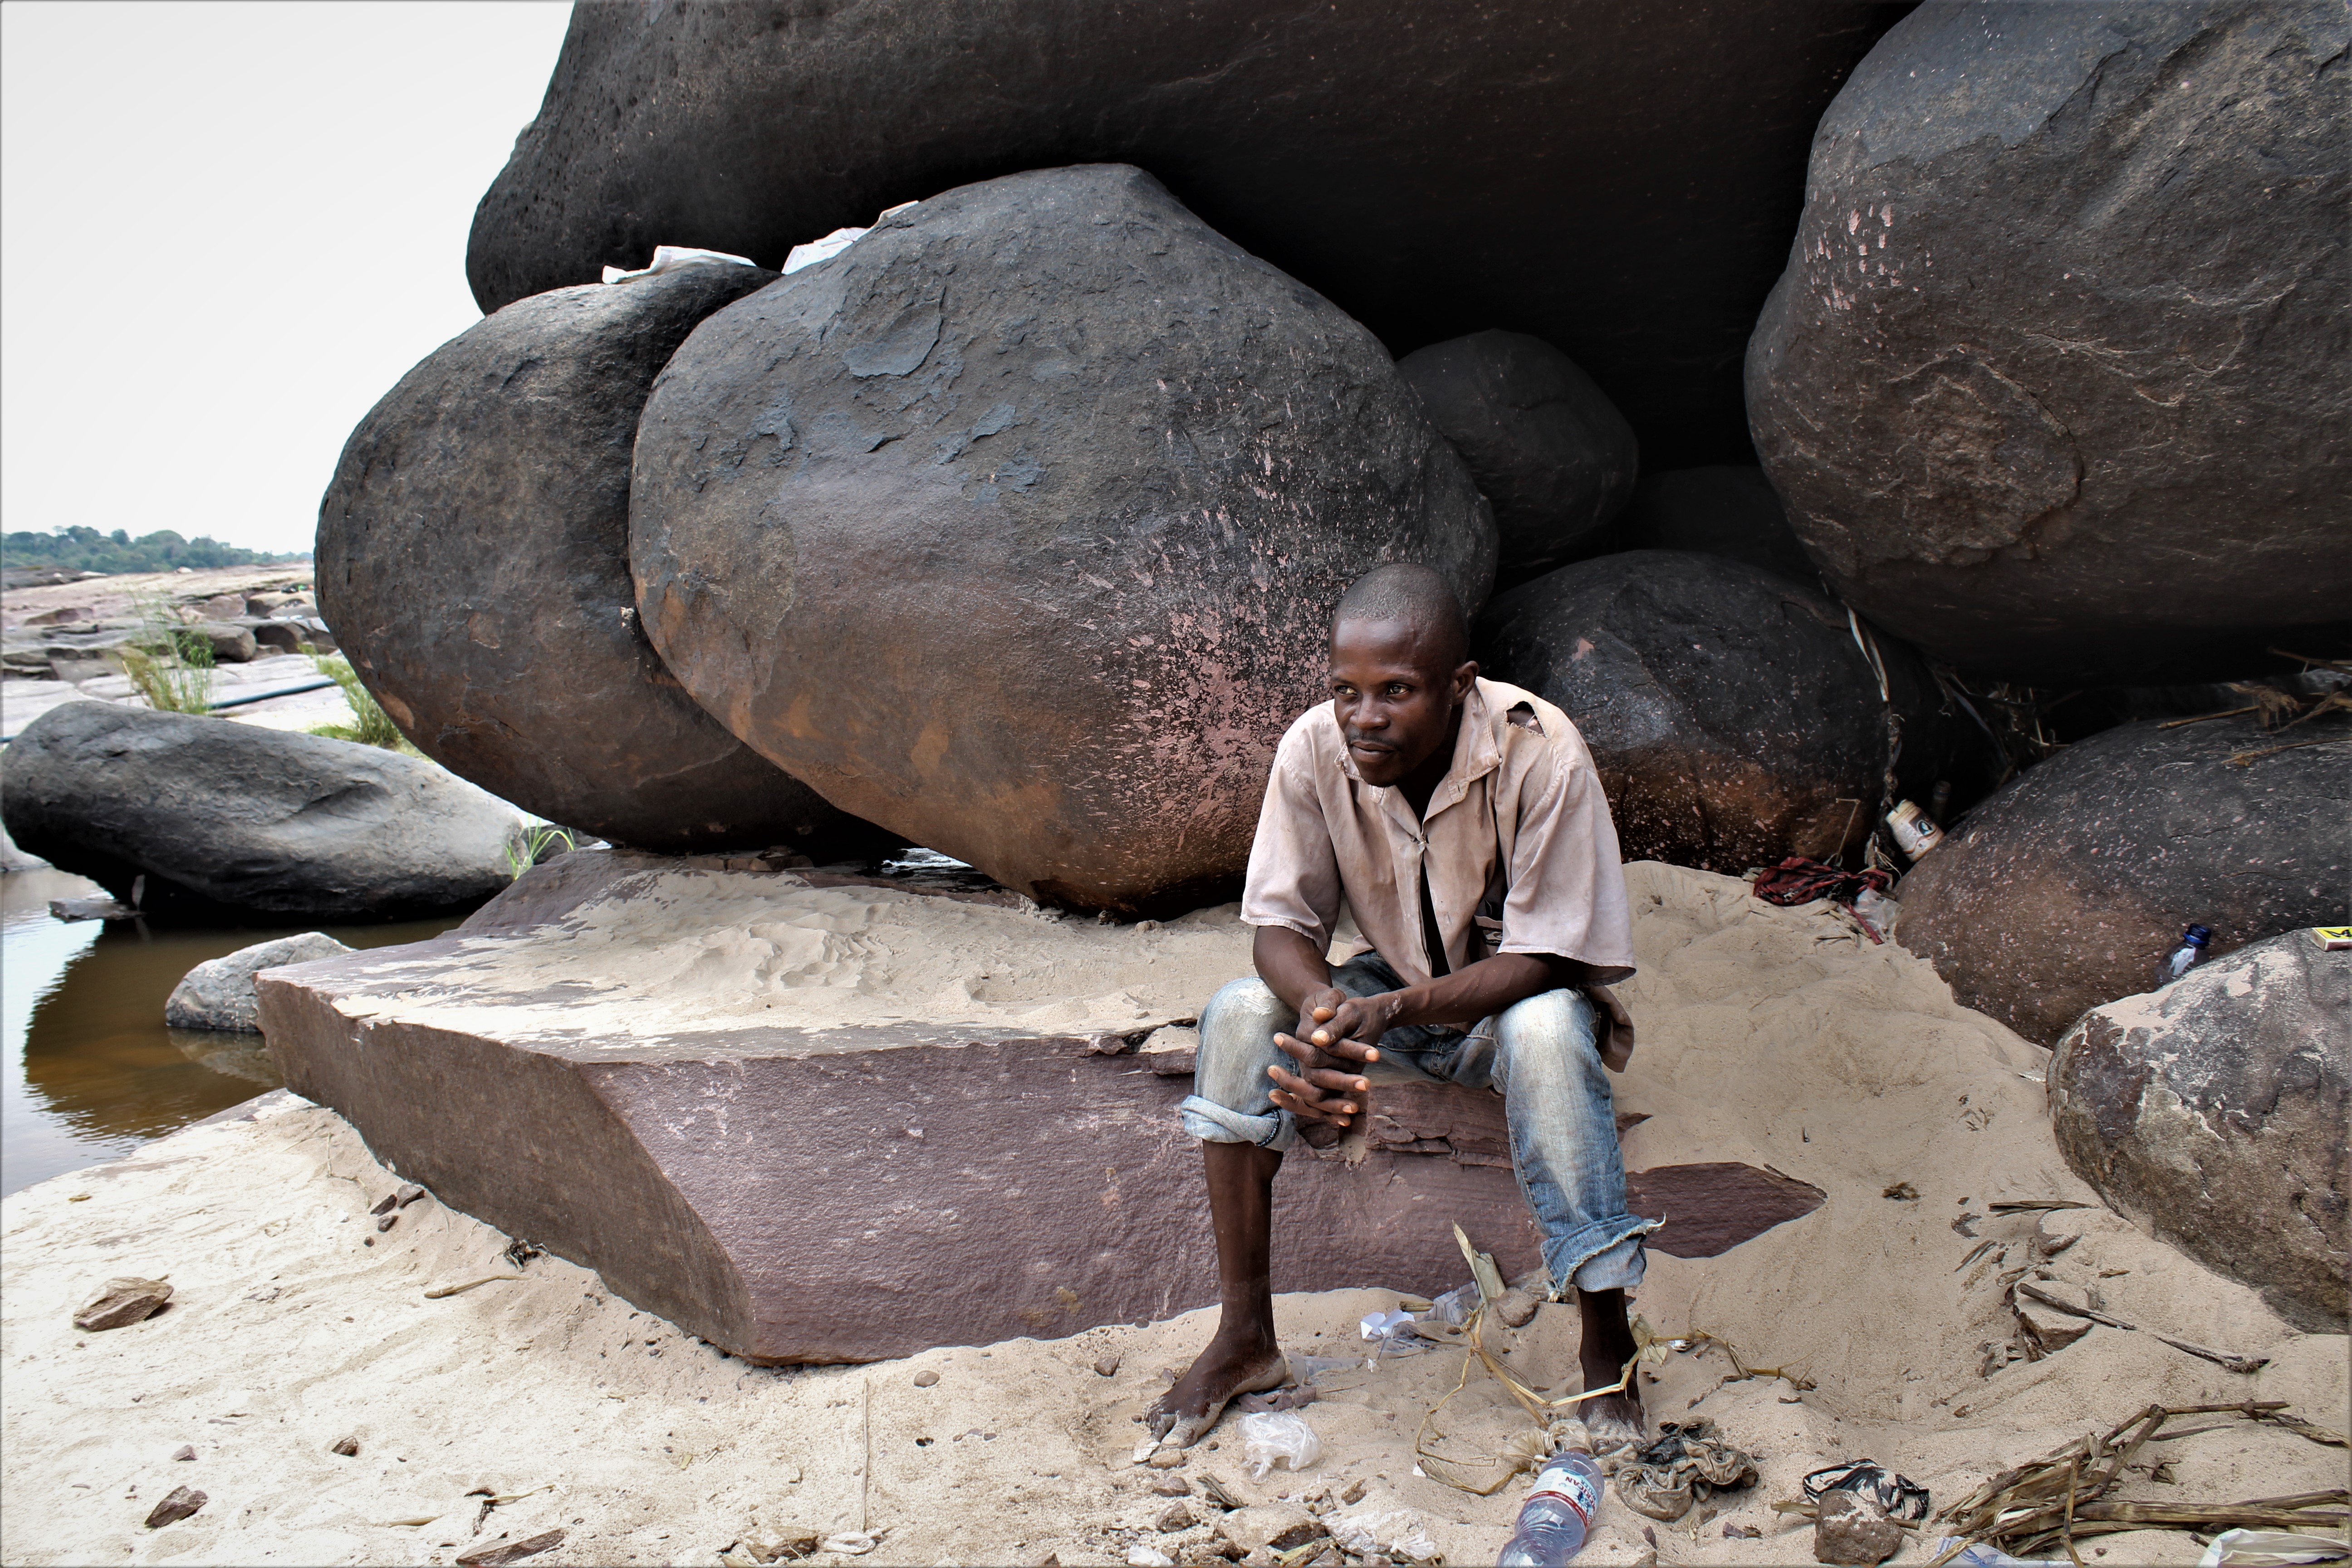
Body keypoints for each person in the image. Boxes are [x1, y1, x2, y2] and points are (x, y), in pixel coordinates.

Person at [1146, 562, 1653, 1450]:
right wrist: (1321, 1012)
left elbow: (1546, 958)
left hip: (1510, 1007)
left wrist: (1379, 1016)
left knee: (1543, 1030)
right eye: (1346, 690)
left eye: (1397, 692)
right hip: (1391, 998)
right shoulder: (1314, 747)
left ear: (1460, 687)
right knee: (1235, 1010)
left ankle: (1607, 1346)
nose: (1364, 717)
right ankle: (1245, 1337)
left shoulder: (1542, 750)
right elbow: (1279, 927)